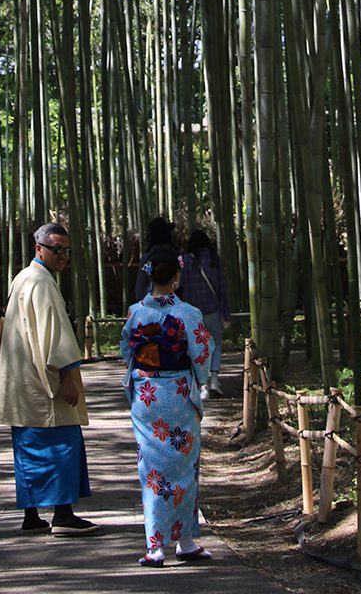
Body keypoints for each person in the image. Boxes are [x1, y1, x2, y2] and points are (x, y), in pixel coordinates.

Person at [0, 223, 99, 536]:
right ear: (39, 248)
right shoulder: (41, 282)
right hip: (44, 382)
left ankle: (32, 514)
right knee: (61, 445)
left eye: (66, 250)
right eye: (56, 249)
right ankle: (63, 514)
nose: (62, 255)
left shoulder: (24, 278)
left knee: (28, 448)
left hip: (22, 381)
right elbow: (55, 335)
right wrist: (67, 378)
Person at [121, 244, 213, 566]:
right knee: (185, 468)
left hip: (147, 396)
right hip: (177, 393)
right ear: (176, 276)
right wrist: (199, 383)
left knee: (152, 471)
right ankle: (185, 540)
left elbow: (126, 352)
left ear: (148, 275)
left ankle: (155, 546)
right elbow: (202, 353)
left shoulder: (136, 312)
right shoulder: (188, 314)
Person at [177, 228, 230, 400]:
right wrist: (226, 314)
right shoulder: (213, 258)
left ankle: (203, 385)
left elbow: (178, 285)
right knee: (215, 345)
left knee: (196, 347)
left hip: (192, 314)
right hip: (213, 310)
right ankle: (214, 379)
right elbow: (222, 288)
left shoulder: (184, 261)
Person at [133, 215, 177, 303]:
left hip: (152, 303)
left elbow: (140, 287)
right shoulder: (176, 255)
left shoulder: (148, 258)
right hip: (174, 304)